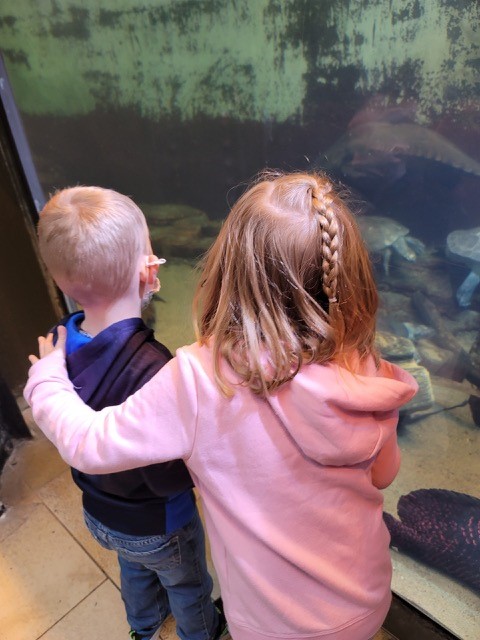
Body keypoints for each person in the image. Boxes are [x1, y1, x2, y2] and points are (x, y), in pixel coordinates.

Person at [25, 171, 418, 640]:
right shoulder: (369, 373)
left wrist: (47, 378)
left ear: (228, 271)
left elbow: (88, 443)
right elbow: (383, 474)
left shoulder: (198, 380)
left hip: (274, 626)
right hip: (364, 604)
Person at [34, 186, 227, 640]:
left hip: (101, 516)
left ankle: (142, 628)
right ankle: (201, 633)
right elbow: (163, 474)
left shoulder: (58, 342)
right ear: (147, 272)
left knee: (134, 568)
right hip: (159, 523)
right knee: (188, 583)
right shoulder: (154, 366)